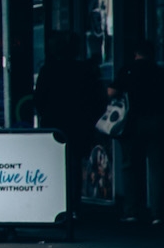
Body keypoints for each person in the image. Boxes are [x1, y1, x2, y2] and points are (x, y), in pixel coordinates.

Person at [35, 34, 106, 217]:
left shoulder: (48, 70)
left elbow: (39, 100)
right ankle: (73, 205)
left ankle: (60, 204)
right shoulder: (84, 70)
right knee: (74, 164)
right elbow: (96, 98)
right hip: (78, 123)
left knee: (57, 165)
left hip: (54, 124)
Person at [109, 42, 164, 224]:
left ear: (135, 53)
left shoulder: (128, 70)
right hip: (156, 121)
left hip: (132, 122)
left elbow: (112, 91)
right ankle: (157, 213)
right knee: (157, 168)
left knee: (130, 166)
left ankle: (131, 210)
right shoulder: (158, 70)